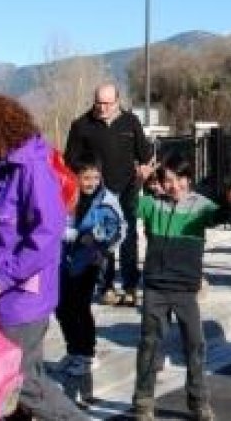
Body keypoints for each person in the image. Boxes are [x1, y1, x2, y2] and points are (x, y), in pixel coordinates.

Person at [0, 94, 87, 421]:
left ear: (1, 130)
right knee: (10, 382)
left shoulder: (30, 167)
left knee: (21, 380)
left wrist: (0, 279)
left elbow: (46, 234)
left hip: (20, 295)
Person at [132, 153, 231, 421]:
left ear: (189, 180)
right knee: (149, 343)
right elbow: (130, 207)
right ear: (160, 182)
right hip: (155, 287)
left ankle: (198, 401)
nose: (175, 185)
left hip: (185, 288)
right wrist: (137, 183)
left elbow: (222, 216)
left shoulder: (200, 206)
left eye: (180, 179)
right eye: (168, 180)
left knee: (195, 343)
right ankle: (143, 402)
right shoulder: (152, 205)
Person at [64, 83, 155, 307]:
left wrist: (146, 167)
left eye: (107, 103)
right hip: (99, 193)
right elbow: (70, 160)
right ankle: (106, 287)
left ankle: (131, 286)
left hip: (127, 189)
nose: (102, 108)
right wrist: (87, 173)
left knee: (128, 237)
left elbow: (145, 152)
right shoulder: (81, 125)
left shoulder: (130, 122)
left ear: (117, 102)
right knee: (102, 237)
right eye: (98, 103)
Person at [53, 158, 125, 403]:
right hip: (63, 261)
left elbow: (117, 228)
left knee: (80, 307)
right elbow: (55, 222)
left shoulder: (107, 199)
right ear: (76, 177)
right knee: (62, 308)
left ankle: (86, 353)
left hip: (88, 262)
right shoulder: (66, 196)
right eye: (86, 178)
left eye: (95, 177)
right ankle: (73, 350)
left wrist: (95, 240)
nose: (91, 183)